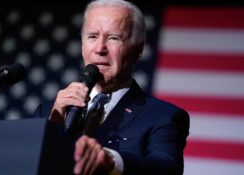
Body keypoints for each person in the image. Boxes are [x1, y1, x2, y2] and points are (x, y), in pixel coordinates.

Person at [36, 0, 190, 174]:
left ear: (138, 51)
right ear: (82, 45)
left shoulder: (163, 116)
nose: (100, 48)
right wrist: (52, 127)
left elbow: (167, 168)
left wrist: (111, 161)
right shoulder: (48, 111)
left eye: (113, 38)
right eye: (92, 36)